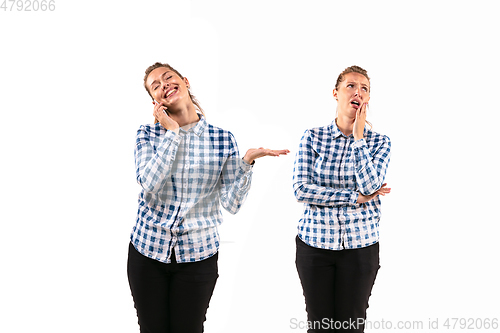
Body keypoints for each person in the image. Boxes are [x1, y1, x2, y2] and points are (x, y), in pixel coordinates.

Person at [127, 62, 289, 333]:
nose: (164, 84)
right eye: (156, 86)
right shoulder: (148, 135)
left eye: (168, 77)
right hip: (147, 253)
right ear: (155, 101)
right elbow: (149, 183)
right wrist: (173, 134)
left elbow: (232, 204)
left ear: (185, 81)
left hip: (198, 257)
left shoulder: (222, 139)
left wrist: (247, 162)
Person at [293, 66, 391, 332]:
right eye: (351, 86)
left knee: (351, 325)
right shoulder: (312, 137)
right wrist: (355, 197)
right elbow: (301, 190)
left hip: (361, 247)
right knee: (320, 325)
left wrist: (358, 138)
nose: (357, 92)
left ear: (368, 99)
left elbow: (371, 185)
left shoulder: (380, 142)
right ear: (335, 93)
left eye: (364, 89)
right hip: (314, 245)